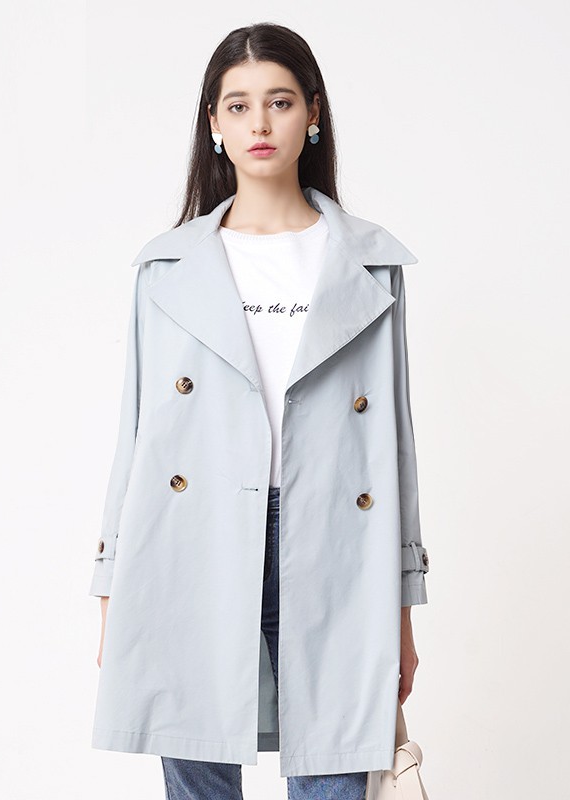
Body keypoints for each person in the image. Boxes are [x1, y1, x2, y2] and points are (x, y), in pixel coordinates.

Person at [90, 21, 429, 800]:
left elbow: (395, 447)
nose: (260, 124)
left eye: (279, 102)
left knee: (335, 774)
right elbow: (137, 436)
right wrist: (114, 589)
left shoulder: (370, 263)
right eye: (238, 106)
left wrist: (404, 609)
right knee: (199, 773)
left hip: (338, 545)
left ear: (313, 113)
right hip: (188, 541)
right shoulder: (166, 268)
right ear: (214, 123)